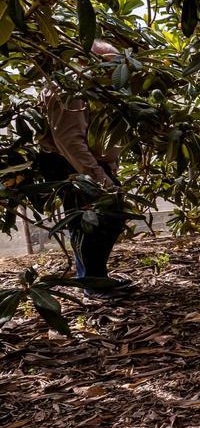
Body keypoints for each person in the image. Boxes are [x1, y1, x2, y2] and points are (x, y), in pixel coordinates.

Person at [32, 39, 131, 296]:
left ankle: (94, 278)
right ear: (87, 62)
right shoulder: (68, 91)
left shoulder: (89, 90)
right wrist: (99, 179)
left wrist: (110, 166)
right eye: (110, 65)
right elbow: (70, 143)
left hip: (86, 164)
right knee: (94, 221)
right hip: (71, 166)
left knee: (104, 220)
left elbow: (96, 134)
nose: (116, 72)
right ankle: (93, 283)